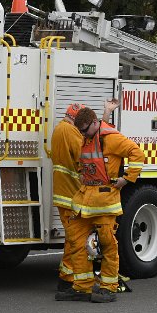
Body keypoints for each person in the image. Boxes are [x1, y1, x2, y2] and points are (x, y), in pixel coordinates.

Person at [56, 107, 143, 303]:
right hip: (85, 199)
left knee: (107, 244)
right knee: (76, 241)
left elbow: (137, 154)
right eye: (81, 132)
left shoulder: (112, 139)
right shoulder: (87, 138)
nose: (83, 134)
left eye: (86, 130)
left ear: (95, 123)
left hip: (104, 201)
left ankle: (108, 287)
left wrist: (127, 179)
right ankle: (82, 287)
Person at [50, 99, 118, 291]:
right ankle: (68, 278)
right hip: (71, 194)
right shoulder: (70, 132)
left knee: (73, 238)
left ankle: (69, 277)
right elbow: (91, 148)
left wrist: (105, 115)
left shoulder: (60, 129)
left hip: (66, 193)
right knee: (76, 239)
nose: (82, 129)